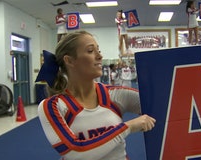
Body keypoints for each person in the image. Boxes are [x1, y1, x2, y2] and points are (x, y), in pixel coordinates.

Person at [36, 30, 156, 160]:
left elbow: (165, 105)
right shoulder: (52, 106)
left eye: (98, 50)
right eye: (90, 51)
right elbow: (75, 152)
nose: (99, 56)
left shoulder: (116, 94)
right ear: (69, 60)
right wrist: (128, 127)